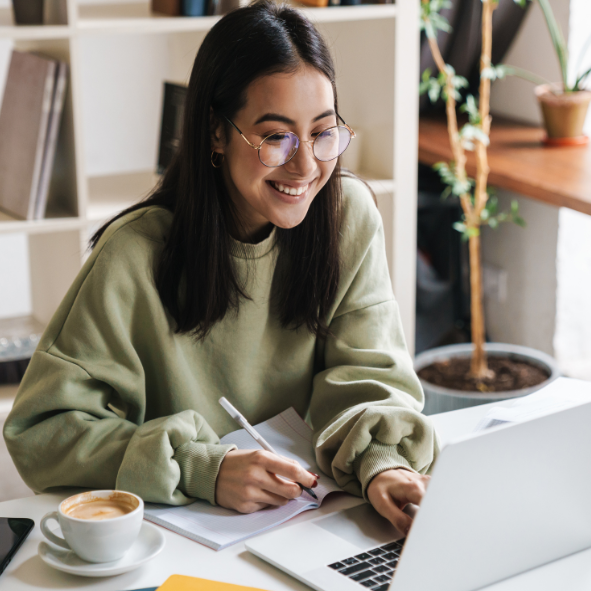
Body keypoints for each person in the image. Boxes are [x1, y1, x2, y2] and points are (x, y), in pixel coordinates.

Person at [4, 1, 438, 535]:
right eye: (276, 136)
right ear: (216, 132)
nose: (306, 166)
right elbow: (42, 432)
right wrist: (202, 468)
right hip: (182, 541)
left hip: (317, 523)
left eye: (323, 132)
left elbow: (370, 375)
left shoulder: (348, 216)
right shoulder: (134, 254)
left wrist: (382, 464)